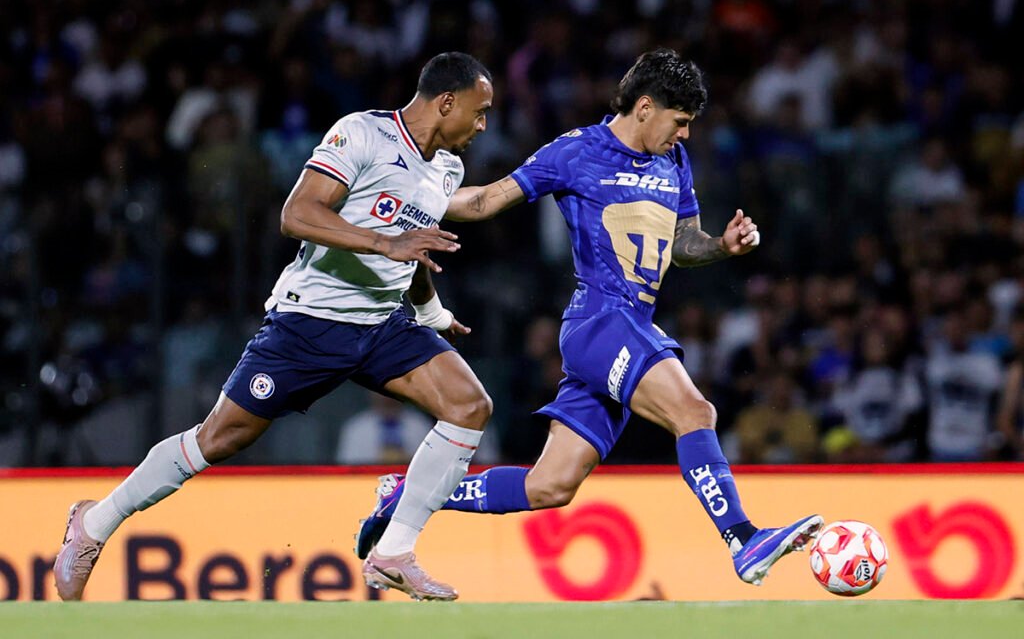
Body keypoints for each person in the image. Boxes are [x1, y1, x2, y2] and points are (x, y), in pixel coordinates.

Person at [357, 49, 823, 589]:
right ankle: (744, 539)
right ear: (644, 107)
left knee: (549, 487)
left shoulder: (673, 160)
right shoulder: (577, 151)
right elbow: (485, 201)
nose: (686, 135)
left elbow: (682, 243)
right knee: (695, 411)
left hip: (629, 328)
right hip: (600, 322)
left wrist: (721, 245)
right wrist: (398, 200)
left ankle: (404, 495)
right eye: (680, 121)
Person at [54, 52, 496, 602]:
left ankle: (393, 553)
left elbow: (415, 251)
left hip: (382, 322)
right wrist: (385, 243)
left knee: (469, 405)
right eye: (479, 112)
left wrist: (431, 314)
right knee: (218, 438)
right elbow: (297, 214)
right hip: (310, 322)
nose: (482, 125)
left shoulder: (447, 169)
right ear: (447, 102)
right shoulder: (363, 133)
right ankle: (93, 523)